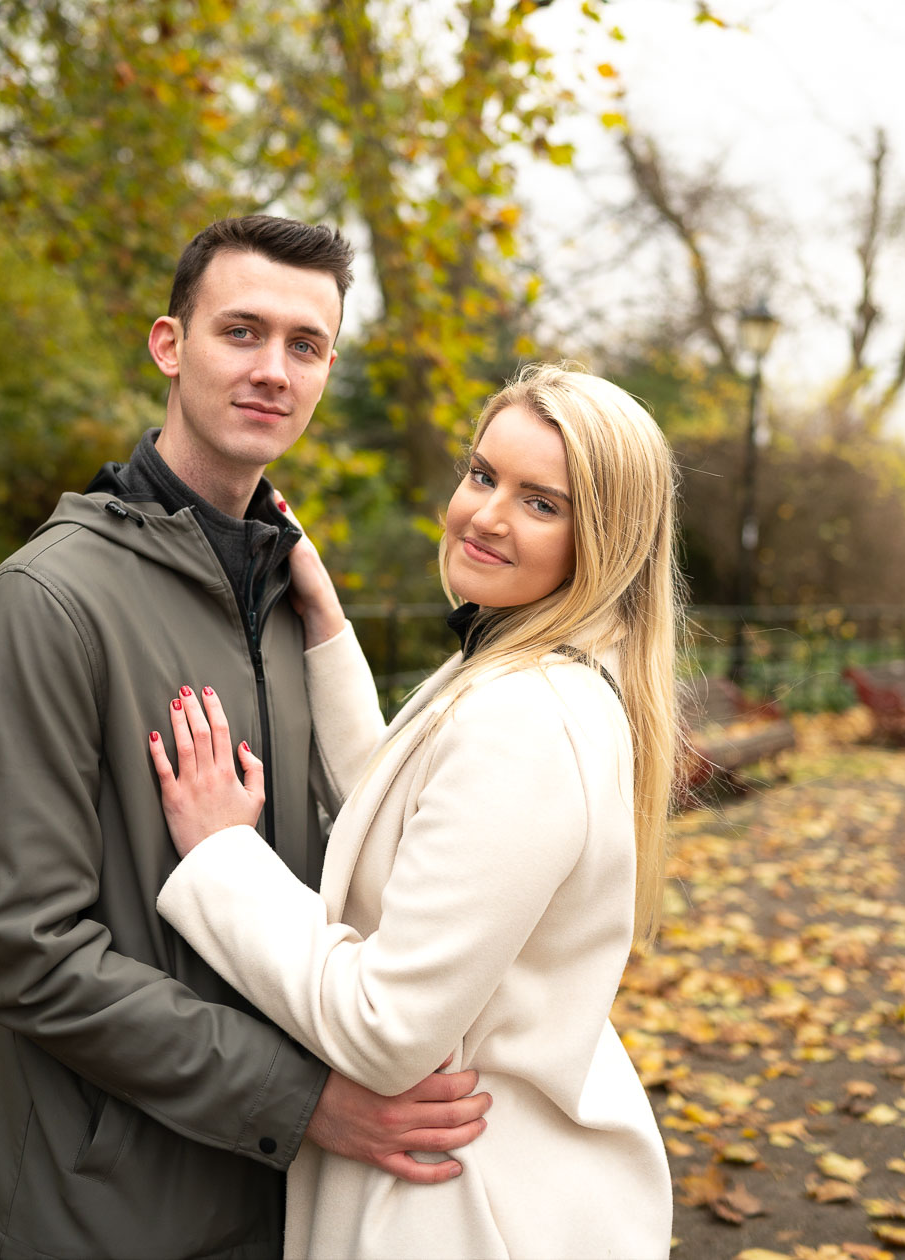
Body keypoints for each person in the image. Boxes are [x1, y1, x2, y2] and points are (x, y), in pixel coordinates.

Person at [0, 214, 490, 1260]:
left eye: (306, 345)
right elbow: (31, 955)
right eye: (241, 332)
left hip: (282, 1204)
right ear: (170, 343)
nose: (273, 371)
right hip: (106, 1214)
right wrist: (305, 1102)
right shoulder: (45, 601)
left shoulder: (290, 598)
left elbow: (343, 869)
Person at [148, 361, 679, 1260]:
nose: (486, 514)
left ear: (606, 541)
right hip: (493, 1178)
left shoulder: (526, 717)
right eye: (483, 475)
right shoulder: (533, 666)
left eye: (541, 503)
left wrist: (224, 857)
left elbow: (384, 1028)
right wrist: (324, 623)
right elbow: (417, 829)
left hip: (462, 1207)